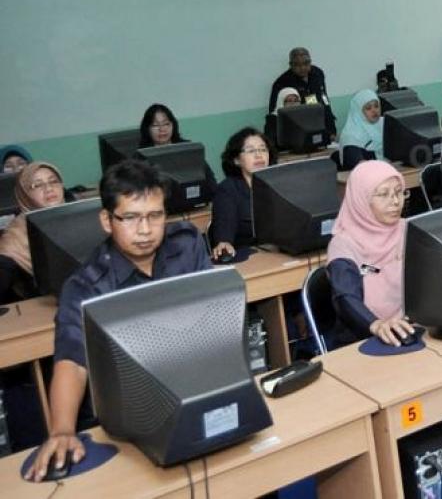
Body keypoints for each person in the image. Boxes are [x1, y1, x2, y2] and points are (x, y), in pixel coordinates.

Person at [26, 160, 211, 482]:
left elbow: (213, 311)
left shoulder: (186, 244)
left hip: (193, 386)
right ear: (107, 220)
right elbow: (72, 360)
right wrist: (62, 430)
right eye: (131, 217)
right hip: (130, 414)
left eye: (155, 216)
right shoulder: (86, 286)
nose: (145, 230)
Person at [326, 160, 414, 348]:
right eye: (383, 194)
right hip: (361, 339)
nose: (395, 201)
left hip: (410, 327)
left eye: (399, 192)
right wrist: (376, 325)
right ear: (362, 199)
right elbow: (346, 296)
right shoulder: (343, 245)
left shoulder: (408, 230)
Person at [0, 163, 67, 301]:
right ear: (25, 193)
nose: (49, 188)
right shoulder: (16, 236)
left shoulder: (81, 218)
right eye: (37, 185)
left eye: (53, 181)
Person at [209, 128, 275, 261]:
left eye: (263, 149)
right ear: (236, 160)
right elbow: (224, 228)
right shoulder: (228, 190)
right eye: (251, 151)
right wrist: (224, 243)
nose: (259, 155)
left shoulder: (278, 184)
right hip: (248, 258)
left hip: (279, 253)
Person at [138, 103, 217, 195]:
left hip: (194, 200)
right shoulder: (141, 157)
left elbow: (210, 180)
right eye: (155, 125)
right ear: (147, 128)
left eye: (166, 124)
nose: (162, 129)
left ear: (173, 125)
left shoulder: (188, 149)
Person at [267, 47, 337, 137]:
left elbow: (324, 99)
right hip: (297, 130)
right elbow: (275, 112)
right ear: (291, 65)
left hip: (321, 124)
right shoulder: (282, 83)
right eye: (297, 65)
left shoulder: (317, 74)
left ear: (310, 62)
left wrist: (332, 129)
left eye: (306, 63)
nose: (302, 68)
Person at [340, 89, 384, 160]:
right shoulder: (350, 135)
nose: (374, 110)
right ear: (358, 112)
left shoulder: (385, 123)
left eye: (376, 106)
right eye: (368, 108)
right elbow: (359, 163)